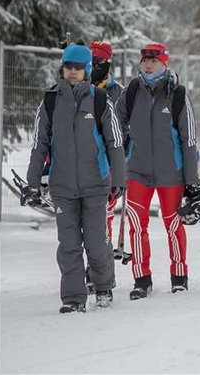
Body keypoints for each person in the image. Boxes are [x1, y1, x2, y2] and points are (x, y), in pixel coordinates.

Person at [25, 43, 126, 313]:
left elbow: (115, 142)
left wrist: (119, 179)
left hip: (96, 184)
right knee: (68, 245)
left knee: (95, 241)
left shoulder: (101, 100)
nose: (72, 72)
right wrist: (32, 183)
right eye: (68, 66)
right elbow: (39, 144)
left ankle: (103, 287)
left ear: (87, 70)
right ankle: (73, 297)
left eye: (78, 68)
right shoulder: (49, 101)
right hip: (63, 186)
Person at [120, 43, 199, 299]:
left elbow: (189, 139)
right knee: (136, 225)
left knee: (173, 225)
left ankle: (179, 276)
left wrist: (191, 179)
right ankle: (141, 279)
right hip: (137, 170)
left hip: (170, 173)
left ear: (164, 63)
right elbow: (115, 126)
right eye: (145, 59)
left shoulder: (177, 94)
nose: (148, 64)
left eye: (153, 60)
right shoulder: (131, 91)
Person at [85, 40, 124, 293]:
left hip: (106, 166)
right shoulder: (78, 88)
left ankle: (100, 272)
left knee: (103, 220)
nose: (95, 67)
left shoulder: (117, 92)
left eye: (100, 62)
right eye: (92, 63)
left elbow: (123, 129)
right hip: (80, 164)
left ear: (108, 64)